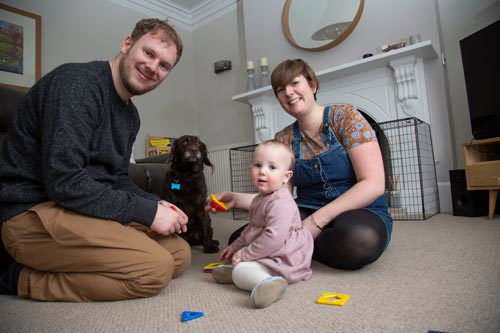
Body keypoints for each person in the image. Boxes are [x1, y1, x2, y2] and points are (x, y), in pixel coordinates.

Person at [0, 19, 192, 301]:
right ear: (127, 44)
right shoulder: (77, 85)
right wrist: (145, 212)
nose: (153, 67)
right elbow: (64, 181)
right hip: (31, 211)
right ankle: (19, 279)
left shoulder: (130, 116)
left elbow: (117, 178)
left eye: (164, 65)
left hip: (78, 208)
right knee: (155, 268)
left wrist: (156, 204)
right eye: (148, 53)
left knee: (179, 254)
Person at [210, 59, 392, 271]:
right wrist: (236, 199)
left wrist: (315, 223)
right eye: (280, 89)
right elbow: (277, 197)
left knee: (359, 242)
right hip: (306, 207)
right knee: (241, 237)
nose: (288, 92)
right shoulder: (283, 138)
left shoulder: (346, 117)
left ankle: (289, 250)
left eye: (295, 83)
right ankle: (293, 248)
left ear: (312, 85)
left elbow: (374, 183)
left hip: (362, 209)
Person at [208, 140, 313, 308]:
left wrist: (246, 254)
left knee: (242, 268)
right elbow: (251, 229)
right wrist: (235, 247)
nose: (263, 172)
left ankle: (269, 283)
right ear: (250, 169)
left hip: (284, 256)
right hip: (270, 248)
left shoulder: (281, 202)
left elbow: (273, 238)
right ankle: (241, 272)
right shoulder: (259, 198)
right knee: (240, 261)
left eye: (272, 167)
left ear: (286, 177)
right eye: (258, 165)